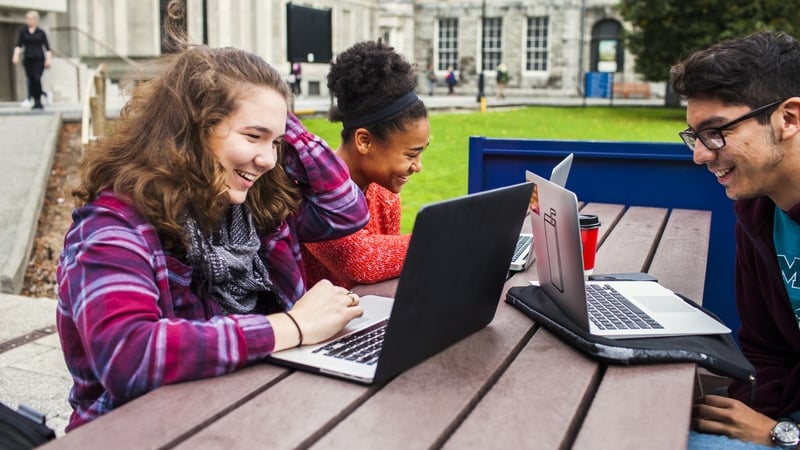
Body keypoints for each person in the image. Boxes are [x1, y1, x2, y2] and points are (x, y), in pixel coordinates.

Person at [56, 0, 369, 431]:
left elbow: (347, 210)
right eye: (252, 136)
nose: (266, 160)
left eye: (275, 143)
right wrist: (292, 326)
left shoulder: (254, 210)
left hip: (249, 412)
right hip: (140, 432)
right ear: (191, 130)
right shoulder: (113, 225)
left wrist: (274, 113)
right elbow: (130, 356)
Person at [670, 31, 800, 449]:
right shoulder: (759, 214)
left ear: (789, 119)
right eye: (695, 136)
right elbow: (766, 349)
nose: (700, 155)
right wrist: (750, 413)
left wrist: (780, 435)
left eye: (715, 132)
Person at [301, 40, 430, 289]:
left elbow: (386, 276)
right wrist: (447, 240)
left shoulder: (384, 194)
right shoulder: (313, 189)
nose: (418, 166)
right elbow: (360, 260)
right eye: (410, 155)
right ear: (364, 141)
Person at [12, 10, 51, 110]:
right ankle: (39, 97)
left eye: (30, 19)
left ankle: (38, 101)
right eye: (27, 19)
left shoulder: (41, 33)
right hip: (28, 59)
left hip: (39, 59)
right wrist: (16, 55)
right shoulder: (23, 32)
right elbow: (19, 45)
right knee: (31, 80)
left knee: (37, 78)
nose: (28, 21)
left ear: (35, 20)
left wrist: (48, 59)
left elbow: (47, 47)